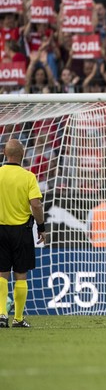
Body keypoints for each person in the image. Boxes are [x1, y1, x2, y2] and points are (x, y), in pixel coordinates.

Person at [0, 139, 45, 328]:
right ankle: (18, 318)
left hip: (0, 229)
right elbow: (36, 204)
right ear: (23, 155)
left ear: (4, 154)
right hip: (22, 231)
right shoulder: (28, 177)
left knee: (2, 274)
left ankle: (1, 314)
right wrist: (41, 227)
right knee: (21, 274)